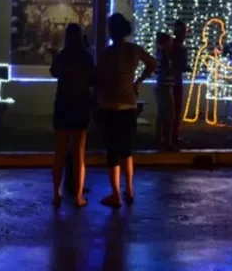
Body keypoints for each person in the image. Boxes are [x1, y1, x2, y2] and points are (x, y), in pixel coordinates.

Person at [95, 13, 157, 208]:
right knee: (126, 149)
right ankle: (129, 189)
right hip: (129, 105)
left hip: (109, 105)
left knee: (112, 151)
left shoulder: (106, 53)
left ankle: (116, 194)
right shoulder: (134, 50)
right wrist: (138, 81)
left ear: (111, 31)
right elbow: (152, 63)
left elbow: (99, 78)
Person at [49, 23, 94, 208]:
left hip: (63, 105)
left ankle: (56, 194)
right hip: (80, 105)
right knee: (79, 153)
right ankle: (78, 195)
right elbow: (93, 79)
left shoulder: (63, 55)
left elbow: (53, 72)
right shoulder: (86, 56)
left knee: (59, 152)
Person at [153, 32, 176, 151]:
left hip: (161, 87)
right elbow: (166, 71)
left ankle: (159, 140)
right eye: (170, 42)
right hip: (165, 88)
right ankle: (168, 142)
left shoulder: (159, 54)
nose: (171, 44)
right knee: (170, 115)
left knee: (161, 115)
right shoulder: (164, 55)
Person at [170, 20, 190, 144]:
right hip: (175, 82)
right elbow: (180, 66)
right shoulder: (180, 48)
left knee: (169, 111)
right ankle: (173, 136)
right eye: (183, 31)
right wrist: (186, 67)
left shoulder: (170, 46)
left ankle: (168, 135)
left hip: (169, 82)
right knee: (176, 110)